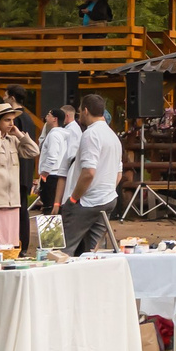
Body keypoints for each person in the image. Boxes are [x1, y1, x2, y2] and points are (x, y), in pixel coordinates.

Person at [60, 94, 121, 255]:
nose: (80, 115)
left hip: (87, 201)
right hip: (108, 199)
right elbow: (118, 173)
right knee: (94, 252)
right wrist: (107, 189)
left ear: (86, 111)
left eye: (80, 111)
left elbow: (88, 172)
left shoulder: (90, 134)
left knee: (63, 248)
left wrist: (73, 199)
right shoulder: (113, 136)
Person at [0, 101, 38, 247]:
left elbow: (34, 151)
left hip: (13, 200)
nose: (11, 123)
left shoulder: (13, 140)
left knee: (11, 243)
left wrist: (20, 134)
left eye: (13, 120)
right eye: (7, 120)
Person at [39, 104, 81, 217]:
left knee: (49, 207)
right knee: (53, 206)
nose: (46, 117)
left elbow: (52, 156)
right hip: (58, 172)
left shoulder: (54, 135)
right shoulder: (65, 133)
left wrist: (44, 173)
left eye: (48, 115)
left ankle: (51, 234)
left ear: (55, 119)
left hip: (52, 174)